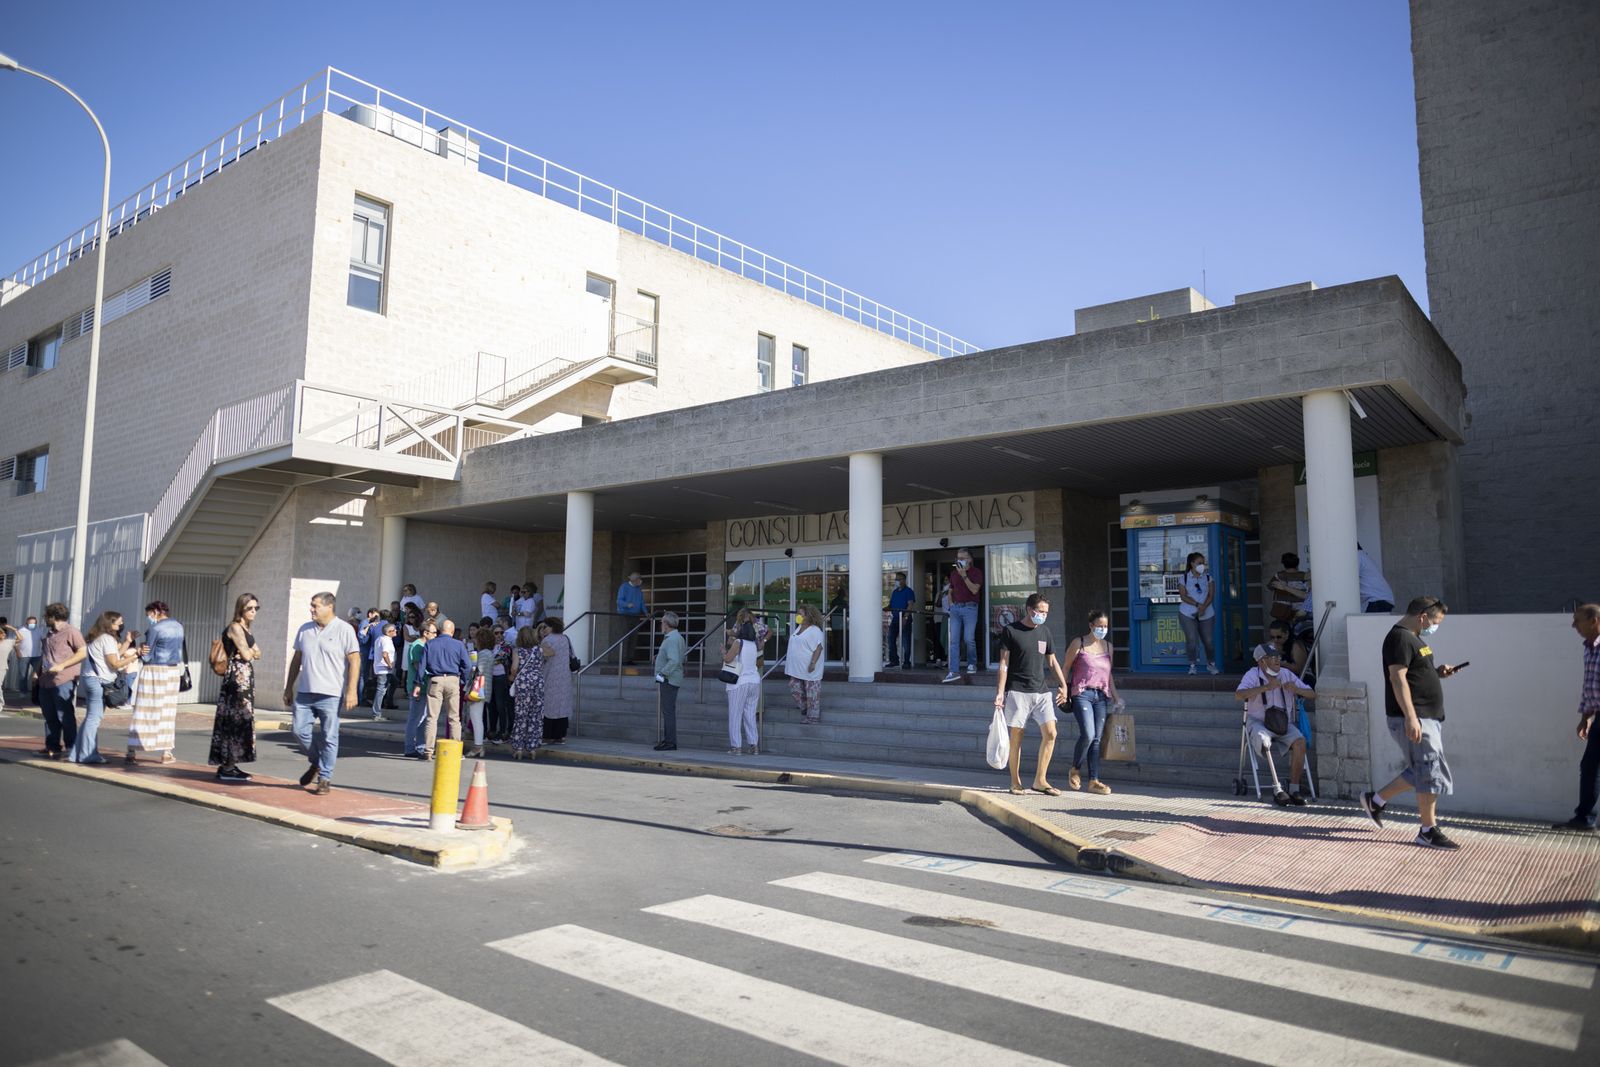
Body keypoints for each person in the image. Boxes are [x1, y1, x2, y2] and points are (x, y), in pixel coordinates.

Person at [1361, 596, 1463, 848]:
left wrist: (1437, 673)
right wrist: (1410, 717)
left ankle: (1375, 801)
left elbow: (1415, 674)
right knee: (1429, 771)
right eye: (1435, 622)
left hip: (1427, 716)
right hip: (1415, 717)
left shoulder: (1414, 638)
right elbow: (1397, 679)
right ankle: (1427, 830)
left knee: (1424, 769)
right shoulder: (1400, 638)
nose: (1435, 627)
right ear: (1422, 616)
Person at [282, 591, 359, 795]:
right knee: (298, 730)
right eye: (312, 605)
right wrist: (289, 686)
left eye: (315, 605)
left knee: (329, 737)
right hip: (305, 692)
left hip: (331, 694)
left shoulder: (344, 629)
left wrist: (351, 690)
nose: (312, 609)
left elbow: (355, 660)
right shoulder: (305, 629)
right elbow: (297, 659)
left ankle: (325, 778)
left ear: (329, 607)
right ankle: (316, 761)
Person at [994, 593, 1070, 796]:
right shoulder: (1011, 631)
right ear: (1029, 609)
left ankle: (1040, 780)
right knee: (1017, 736)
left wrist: (1064, 685)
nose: (1043, 615)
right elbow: (1004, 663)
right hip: (1017, 690)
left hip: (1041, 692)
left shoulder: (1045, 632)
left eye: (1046, 612)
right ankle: (1015, 781)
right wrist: (1000, 692)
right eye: (1040, 611)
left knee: (1051, 733)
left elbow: (1052, 662)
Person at [1236, 643, 1316, 805]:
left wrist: (1297, 690)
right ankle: (1277, 789)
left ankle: (1294, 789)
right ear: (1261, 662)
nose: (1277, 660)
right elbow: (1239, 695)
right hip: (1259, 721)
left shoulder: (1286, 674)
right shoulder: (1252, 675)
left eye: (1278, 657)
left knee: (1300, 742)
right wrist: (1265, 687)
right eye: (1272, 658)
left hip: (1283, 721)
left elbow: (1312, 694)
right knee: (1264, 740)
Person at [1061, 610, 1124, 795]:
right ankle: (1075, 768)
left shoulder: (1108, 646)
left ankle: (1094, 780)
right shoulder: (1079, 643)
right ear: (1091, 626)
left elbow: (1108, 675)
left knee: (1096, 739)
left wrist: (1116, 697)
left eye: (1105, 626)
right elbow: (1066, 667)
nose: (1102, 629)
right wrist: (1063, 689)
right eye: (1099, 626)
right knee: (1088, 734)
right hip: (1082, 693)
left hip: (1101, 695)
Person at [1552, 603, 1600, 832]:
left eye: (1577, 620)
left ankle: (1585, 817)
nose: (1573, 625)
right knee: (1590, 766)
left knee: (1591, 766)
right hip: (1598, 716)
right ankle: (1584, 818)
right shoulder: (1589, 648)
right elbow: (1590, 685)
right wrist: (1586, 716)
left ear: (1594, 621)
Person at [71, 611, 136, 765]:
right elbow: (114, 663)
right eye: (119, 622)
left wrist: (127, 642)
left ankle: (77, 753)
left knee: (90, 718)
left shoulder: (96, 637)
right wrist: (135, 657)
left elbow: (113, 655)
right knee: (94, 719)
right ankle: (87, 755)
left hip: (90, 679)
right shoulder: (107, 638)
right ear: (110, 623)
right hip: (99, 681)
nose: (121, 624)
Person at [209, 594, 261, 782]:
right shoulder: (235, 627)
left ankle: (230, 765)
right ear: (241, 609)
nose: (254, 611)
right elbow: (247, 655)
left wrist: (250, 652)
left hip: (245, 678)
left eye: (256, 608)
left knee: (241, 720)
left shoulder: (246, 629)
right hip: (236, 679)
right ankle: (227, 768)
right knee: (234, 719)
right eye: (250, 608)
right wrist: (249, 652)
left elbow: (258, 652)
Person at [126, 601, 185, 765]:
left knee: (144, 710)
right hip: (172, 671)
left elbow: (147, 654)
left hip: (154, 670)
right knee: (167, 712)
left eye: (149, 614)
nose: (148, 617)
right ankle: (166, 751)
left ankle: (132, 750)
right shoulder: (179, 626)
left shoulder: (155, 628)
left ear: (156, 611)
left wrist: (140, 649)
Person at [37, 603, 86, 760]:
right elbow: (45, 655)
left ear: (53, 617)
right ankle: (52, 746)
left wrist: (62, 665)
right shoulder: (49, 633)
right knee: (49, 715)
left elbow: (82, 652)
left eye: (46, 616)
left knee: (64, 715)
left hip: (63, 679)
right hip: (45, 680)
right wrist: (36, 672)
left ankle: (72, 747)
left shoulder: (71, 632)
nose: (44, 618)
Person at [419, 619, 473, 759]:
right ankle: (455, 751)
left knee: (432, 718)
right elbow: (467, 665)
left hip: (435, 679)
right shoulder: (459, 644)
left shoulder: (430, 644)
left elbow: (422, 665)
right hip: (453, 679)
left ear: (439, 630)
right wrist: (462, 680)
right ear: (452, 631)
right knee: (454, 718)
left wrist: (418, 683)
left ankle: (428, 750)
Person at [942, 549, 984, 683]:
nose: (959, 560)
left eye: (963, 558)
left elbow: (974, 590)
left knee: (968, 638)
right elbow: (950, 590)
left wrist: (964, 575)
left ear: (970, 559)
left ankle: (972, 663)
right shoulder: (954, 573)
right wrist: (951, 605)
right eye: (958, 558)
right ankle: (953, 671)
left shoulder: (976, 572)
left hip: (970, 608)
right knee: (954, 640)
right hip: (956, 608)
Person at [724, 608, 762, 754]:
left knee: (735, 714)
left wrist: (723, 652)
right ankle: (754, 745)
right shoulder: (754, 644)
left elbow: (728, 659)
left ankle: (736, 747)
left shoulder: (738, 642)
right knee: (750, 714)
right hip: (754, 681)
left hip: (740, 682)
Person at [508, 624, 546, 759]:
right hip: (538, 682)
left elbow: (514, 668)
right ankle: (532, 748)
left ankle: (518, 748)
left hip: (523, 682)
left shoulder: (517, 651)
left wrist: (512, 677)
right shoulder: (539, 650)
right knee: (535, 715)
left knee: (521, 715)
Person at [1177, 551, 1219, 675]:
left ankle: (1211, 664)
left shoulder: (1208, 577)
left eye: (1203, 563)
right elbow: (1183, 596)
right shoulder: (1184, 578)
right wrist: (1197, 605)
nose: (1202, 565)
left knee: (1209, 641)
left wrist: (1203, 607)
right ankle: (1192, 665)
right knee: (1192, 640)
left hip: (1207, 613)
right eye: (1199, 563)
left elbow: (1211, 595)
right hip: (1187, 614)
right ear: (1192, 564)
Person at [785, 604, 827, 724]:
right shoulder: (799, 627)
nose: (798, 616)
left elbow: (818, 648)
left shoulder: (815, 630)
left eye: (801, 614)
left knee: (812, 692)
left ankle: (813, 717)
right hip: (796, 668)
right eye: (798, 613)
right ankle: (804, 707)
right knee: (794, 686)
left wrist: (813, 663)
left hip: (810, 667)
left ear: (808, 616)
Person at [652, 611, 687, 750]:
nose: (661, 624)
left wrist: (662, 673)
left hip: (669, 679)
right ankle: (668, 740)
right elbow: (680, 657)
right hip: (673, 678)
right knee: (668, 710)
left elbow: (674, 660)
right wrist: (659, 656)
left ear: (667, 624)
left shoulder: (671, 639)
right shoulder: (678, 637)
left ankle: (670, 742)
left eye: (662, 622)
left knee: (668, 711)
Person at [403, 620, 437, 758]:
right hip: (417, 687)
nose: (435, 635)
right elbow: (418, 666)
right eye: (434, 632)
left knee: (423, 718)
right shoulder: (418, 646)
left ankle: (421, 746)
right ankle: (409, 748)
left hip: (424, 686)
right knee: (415, 718)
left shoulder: (425, 645)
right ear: (425, 633)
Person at [540, 618, 575, 743]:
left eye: (545, 627)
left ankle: (547, 735)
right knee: (562, 705)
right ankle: (560, 735)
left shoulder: (547, 640)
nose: (543, 629)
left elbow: (542, 658)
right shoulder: (565, 639)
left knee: (549, 706)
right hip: (565, 677)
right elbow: (572, 655)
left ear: (552, 627)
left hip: (550, 676)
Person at [464, 629, 494, 757]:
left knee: (476, 718)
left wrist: (471, 664)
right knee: (478, 718)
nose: (475, 640)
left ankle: (478, 747)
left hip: (478, 689)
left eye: (476, 638)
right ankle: (478, 746)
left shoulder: (483, 654)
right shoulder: (489, 653)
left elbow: (478, 671)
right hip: (484, 688)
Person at [488, 622, 514, 744]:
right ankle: (492, 730)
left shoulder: (506, 645)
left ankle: (503, 731)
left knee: (501, 705)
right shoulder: (489, 646)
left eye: (501, 633)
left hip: (501, 678)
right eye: (496, 633)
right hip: (490, 678)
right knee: (491, 705)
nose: (499, 635)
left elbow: (500, 658)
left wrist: (487, 660)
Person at [1268, 552, 1311, 626]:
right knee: (1298, 630)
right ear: (1297, 563)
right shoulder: (1304, 576)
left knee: (1283, 630)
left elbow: (1270, 587)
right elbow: (1309, 593)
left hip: (1281, 610)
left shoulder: (1278, 576)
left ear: (1283, 563)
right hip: (1299, 610)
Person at [616, 571, 648, 664]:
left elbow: (642, 603)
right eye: (639, 579)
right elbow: (619, 601)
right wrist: (627, 604)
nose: (640, 581)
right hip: (625, 615)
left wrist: (646, 612)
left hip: (636, 616)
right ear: (635, 580)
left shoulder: (639, 590)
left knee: (634, 638)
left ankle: (630, 659)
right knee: (626, 637)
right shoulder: (624, 587)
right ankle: (624, 659)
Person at [886, 572, 915, 668]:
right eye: (896, 579)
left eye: (898, 579)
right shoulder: (894, 592)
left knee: (905, 641)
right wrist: (886, 608)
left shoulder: (908, 591)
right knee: (890, 639)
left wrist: (905, 617)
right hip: (895, 619)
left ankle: (906, 662)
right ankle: (894, 660)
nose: (897, 581)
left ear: (904, 580)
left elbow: (910, 604)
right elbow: (891, 605)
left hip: (904, 618)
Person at [370, 622, 397, 722]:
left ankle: (388, 703)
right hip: (384, 669)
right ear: (389, 632)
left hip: (381, 668)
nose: (396, 631)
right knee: (381, 690)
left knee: (395, 682)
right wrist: (390, 665)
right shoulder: (386, 641)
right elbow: (385, 654)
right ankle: (376, 714)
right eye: (394, 630)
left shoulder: (380, 639)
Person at [1358, 544, 1396, 613]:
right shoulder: (1363, 556)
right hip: (1382, 599)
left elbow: (1348, 579)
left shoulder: (1357, 556)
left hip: (1376, 600)